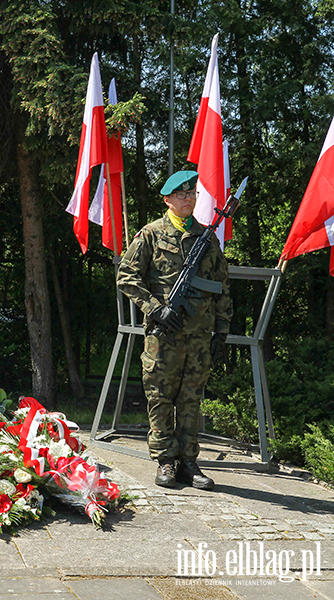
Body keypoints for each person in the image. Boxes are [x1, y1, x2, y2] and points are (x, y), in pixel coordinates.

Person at [116, 170, 232, 490]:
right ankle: (166, 460)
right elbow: (127, 277)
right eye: (181, 195)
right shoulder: (151, 234)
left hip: (198, 334)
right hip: (163, 335)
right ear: (167, 199)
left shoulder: (207, 238)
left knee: (192, 399)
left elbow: (220, 286)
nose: (188, 199)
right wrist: (156, 309)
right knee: (161, 397)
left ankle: (189, 462)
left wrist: (221, 330)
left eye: (192, 194)